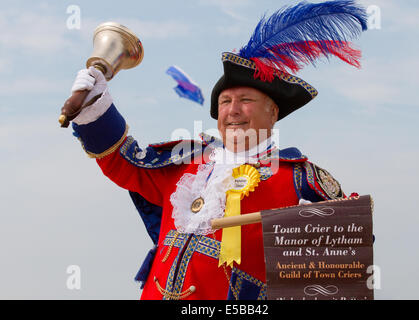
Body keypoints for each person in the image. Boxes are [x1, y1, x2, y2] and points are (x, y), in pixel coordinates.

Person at [66, 0, 367, 300]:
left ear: (273, 112)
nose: (233, 110)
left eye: (245, 100)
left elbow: (345, 262)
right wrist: (96, 102)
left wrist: (319, 233)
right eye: (225, 102)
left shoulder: (301, 181)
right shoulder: (185, 162)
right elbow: (124, 162)